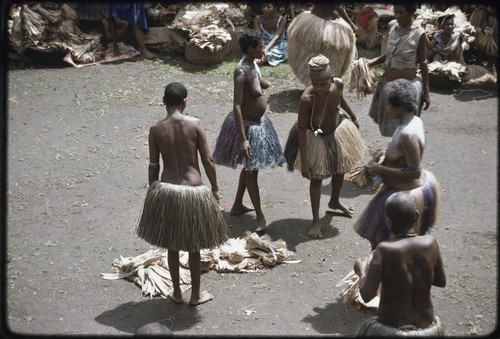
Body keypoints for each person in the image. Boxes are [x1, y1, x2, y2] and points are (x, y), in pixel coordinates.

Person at [136, 82, 228, 306]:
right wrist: (215, 189)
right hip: (193, 191)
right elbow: (208, 160)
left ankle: (176, 292)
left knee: (173, 244)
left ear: (164, 101)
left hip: (167, 191)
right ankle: (196, 295)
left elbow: (153, 165)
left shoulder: (156, 129)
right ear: (184, 101)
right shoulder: (195, 124)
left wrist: (152, 192)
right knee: (194, 245)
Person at [353, 79, 441, 250]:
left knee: (383, 241)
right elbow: (403, 158)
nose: (387, 109)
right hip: (396, 189)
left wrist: (380, 169)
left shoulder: (408, 134)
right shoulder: (412, 121)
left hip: (403, 195)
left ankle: (384, 272)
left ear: (399, 107)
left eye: (389, 105)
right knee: (379, 240)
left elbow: (415, 171)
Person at [284, 54, 365, 238]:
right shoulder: (307, 99)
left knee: (340, 168)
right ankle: (315, 222)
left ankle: (334, 201)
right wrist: (305, 161)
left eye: (323, 84)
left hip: (336, 132)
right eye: (315, 83)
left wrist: (352, 116)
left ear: (331, 79)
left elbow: (341, 99)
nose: (319, 88)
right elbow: (303, 130)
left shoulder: (338, 84)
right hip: (315, 137)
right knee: (317, 179)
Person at [212, 29, 285, 233]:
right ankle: (260, 217)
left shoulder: (253, 64)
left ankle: (236, 205)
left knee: (251, 167)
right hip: (247, 127)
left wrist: (263, 84)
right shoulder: (241, 71)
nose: (264, 49)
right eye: (261, 46)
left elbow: (260, 83)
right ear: (251, 49)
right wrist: (243, 140)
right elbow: (236, 105)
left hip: (258, 123)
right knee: (252, 170)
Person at [353, 192, 446, 336]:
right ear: (416, 215)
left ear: (388, 221)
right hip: (426, 327)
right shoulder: (431, 243)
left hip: (391, 329)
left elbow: (366, 295)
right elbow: (440, 281)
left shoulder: (384, 250)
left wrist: (361, 272)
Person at [366, 4, 430, 137]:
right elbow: (389, 54)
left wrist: (426, 92)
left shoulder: (419, 33)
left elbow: (423, 62)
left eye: (402, 12)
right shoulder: (392, 26)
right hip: (388, 82)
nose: (397, 16)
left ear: (412, 13)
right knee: (391, 128)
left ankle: (401, 153)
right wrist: (372, 62)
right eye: (396, 12)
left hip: (408, 86)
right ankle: (394, 150)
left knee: (405, 128)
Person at [287, 3, 357, 86]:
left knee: (310, 52)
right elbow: (339, 7)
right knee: (328, 54)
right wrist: (352, 24)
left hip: (313, 18)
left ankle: (314, 81)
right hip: (326, 25)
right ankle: (319, 82)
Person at [253, 2, 288, 66]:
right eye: (263, 7)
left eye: (269, 7)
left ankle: (262, 60)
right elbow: (258, 36)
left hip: (278, 46)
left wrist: (266, 49)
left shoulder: (282, 20)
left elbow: (276, 38)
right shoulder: (257, 19)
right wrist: (262, 48)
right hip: (261, 44)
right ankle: (261, 59)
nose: (265, 9)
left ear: (275, 8)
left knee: (268, 54)